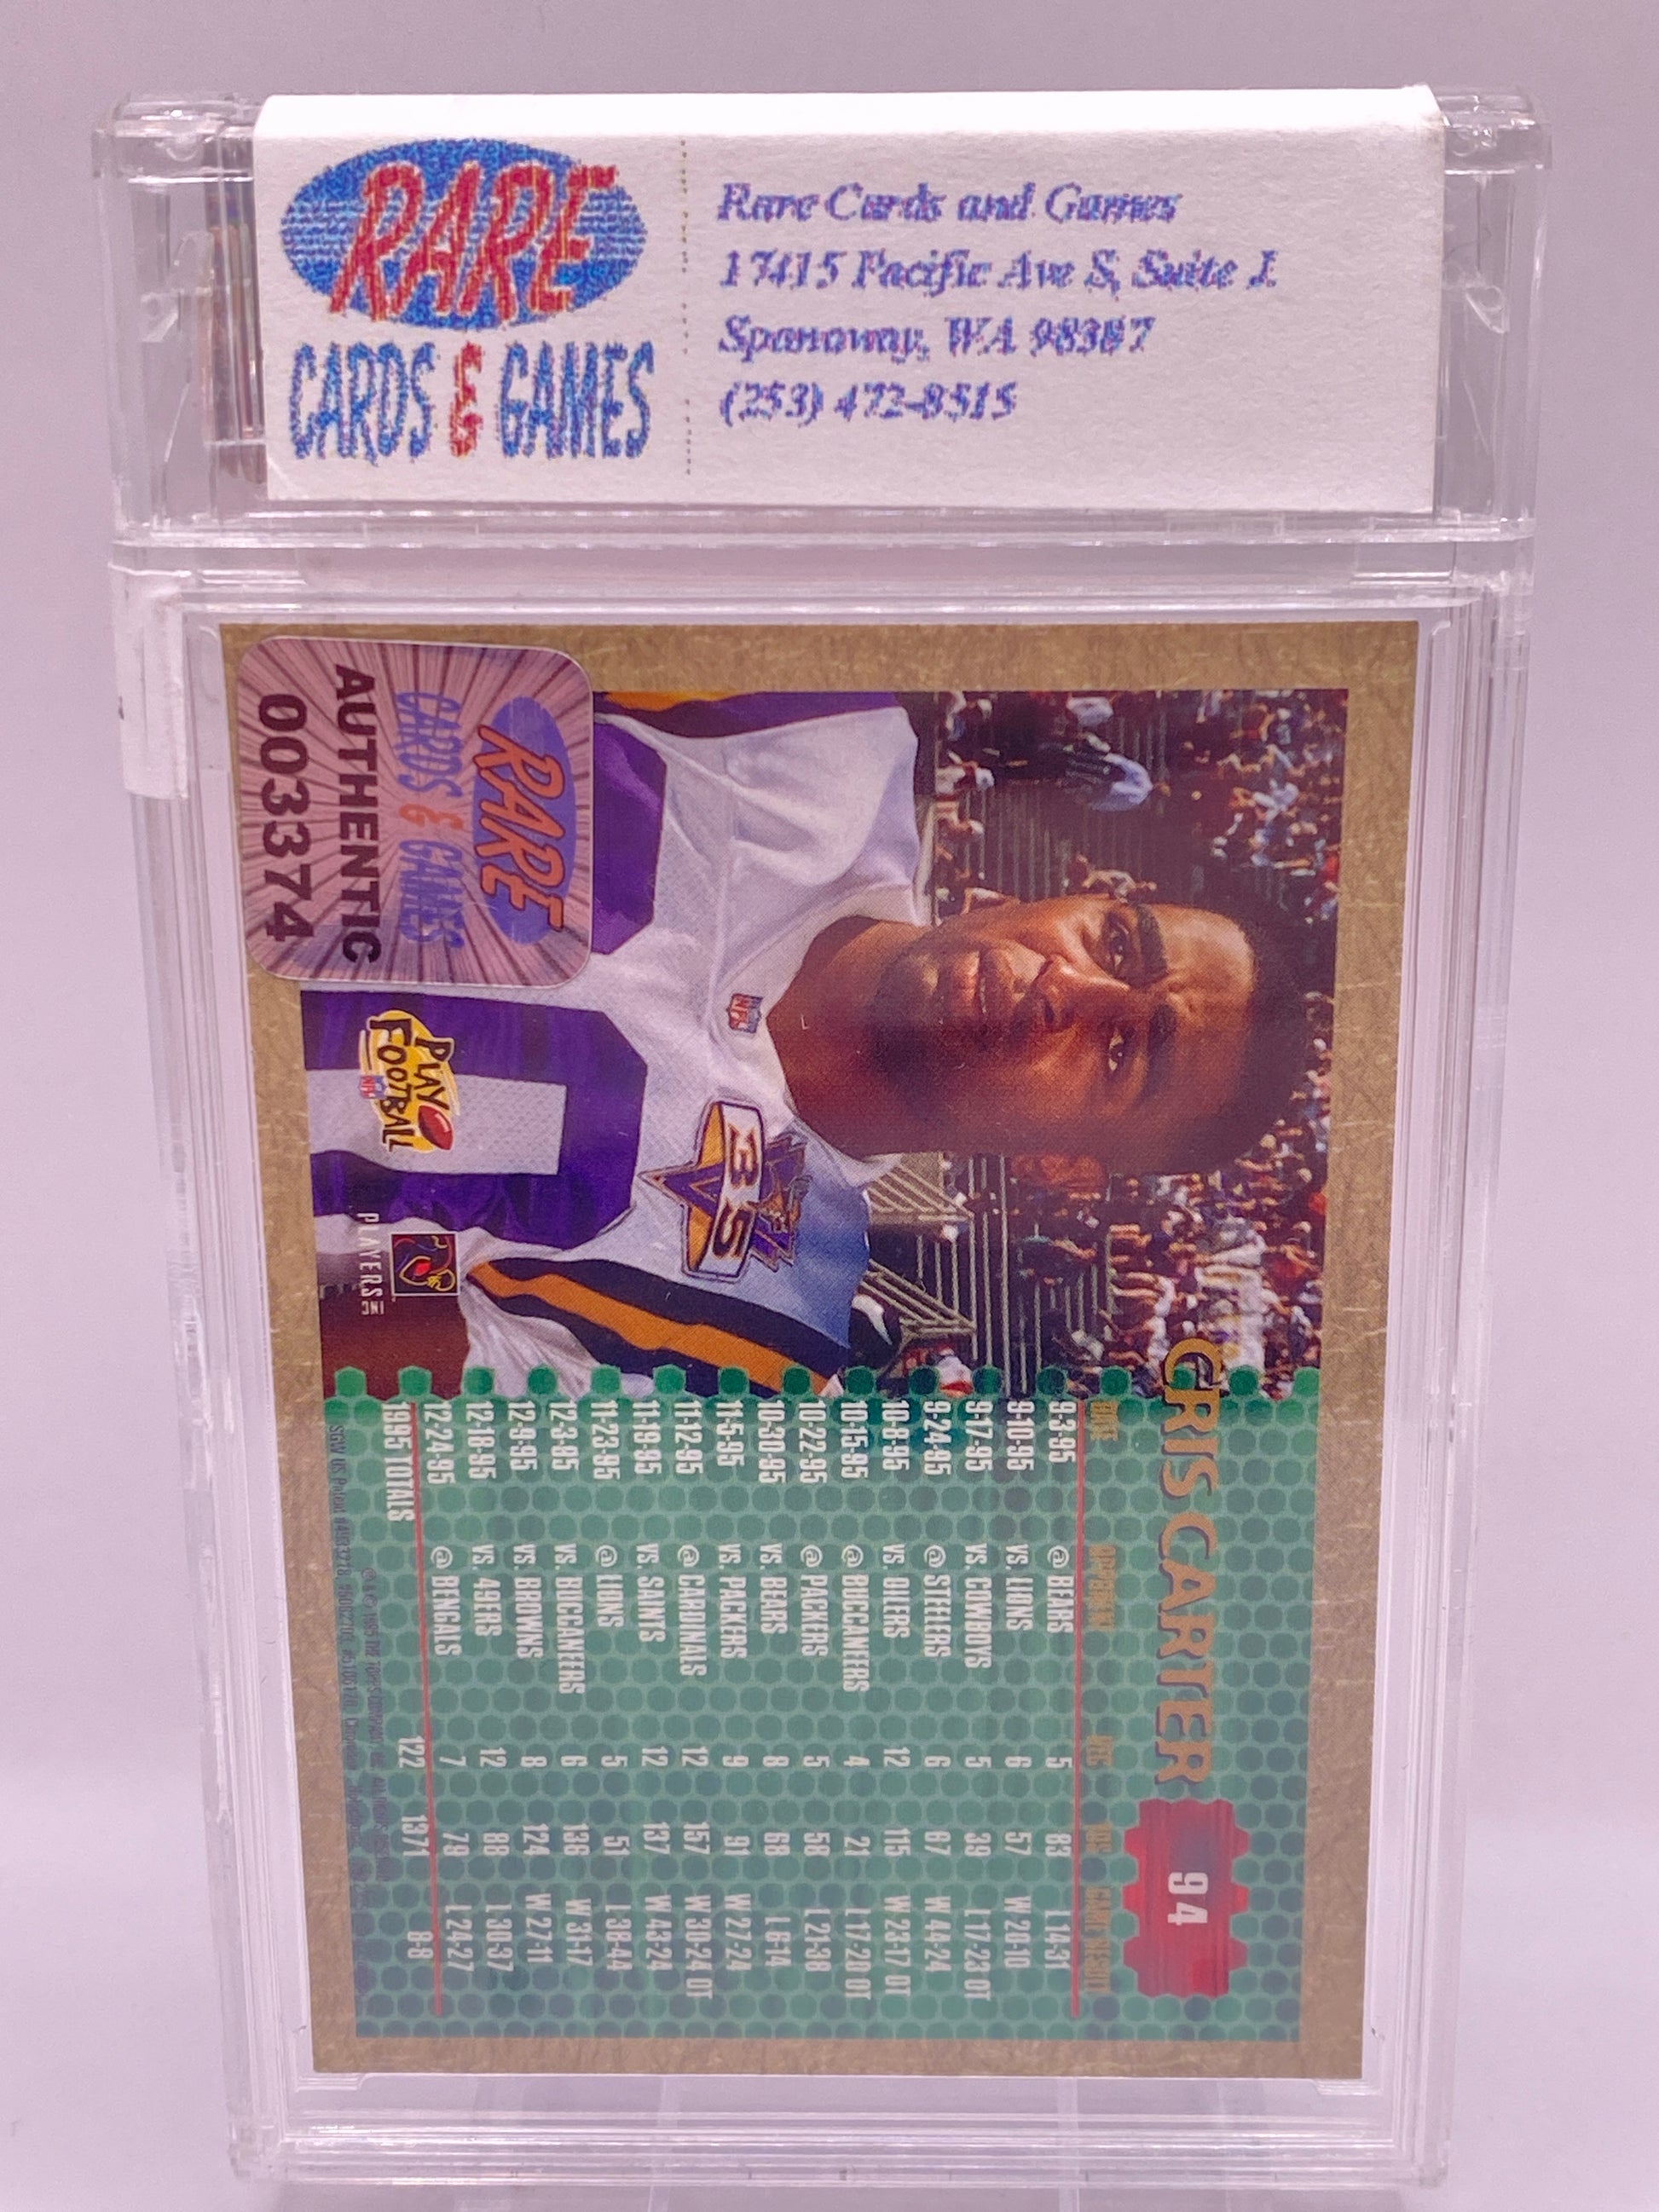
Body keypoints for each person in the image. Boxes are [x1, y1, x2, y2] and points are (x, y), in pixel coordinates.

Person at [307, 690, 1305, 1400]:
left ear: (1059, 1169)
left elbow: (367, 1368)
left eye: (1123, 1055)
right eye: (1114, 942)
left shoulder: (763, 1333)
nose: (1067, 989)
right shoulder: (818, 730)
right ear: (1052, 894)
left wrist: (363, 1191)